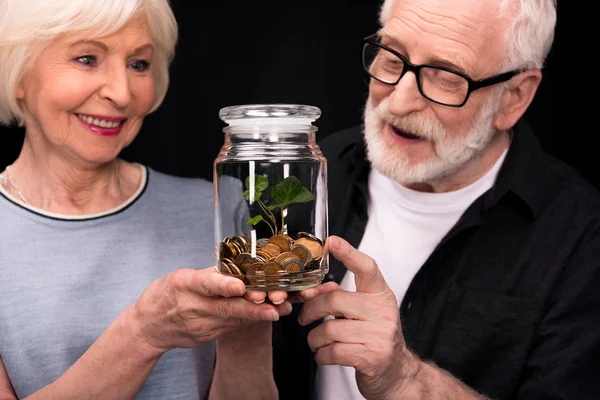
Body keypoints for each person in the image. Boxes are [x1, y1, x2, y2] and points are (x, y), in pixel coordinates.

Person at [273, 0, 600, 399]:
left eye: (445, 77)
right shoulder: (319, 168)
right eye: (392, 58)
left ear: (514, 97)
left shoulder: (581, 233)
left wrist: (406, 380)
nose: (398, 102)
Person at [0, 0, 292, 398]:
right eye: (87, 59)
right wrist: (144, 332)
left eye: (139, 64)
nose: (122, 93)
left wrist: (249, 327)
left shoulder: (215, 208)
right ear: (17, 72)